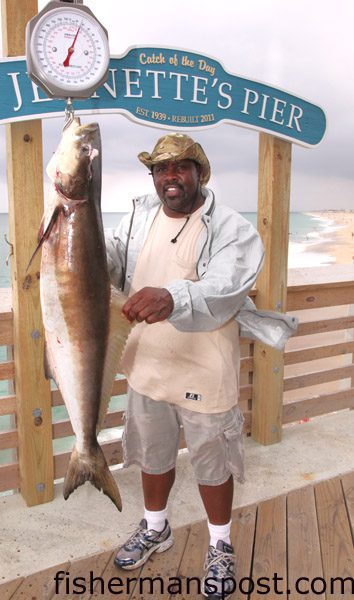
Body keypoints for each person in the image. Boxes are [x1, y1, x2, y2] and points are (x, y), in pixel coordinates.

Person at [104, 133, 280, 599]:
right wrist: (73, 241)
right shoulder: (139, 216)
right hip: (146, 367)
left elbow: (226, 288)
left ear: (200, 172)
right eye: (161, 169)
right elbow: (111, 261)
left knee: (212, 463)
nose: (171, 177)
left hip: (206, 371)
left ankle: (220, 545)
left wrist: (172, 295)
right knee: (153, 453)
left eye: (181, 167)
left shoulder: (231, 228)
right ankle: (156, 527)